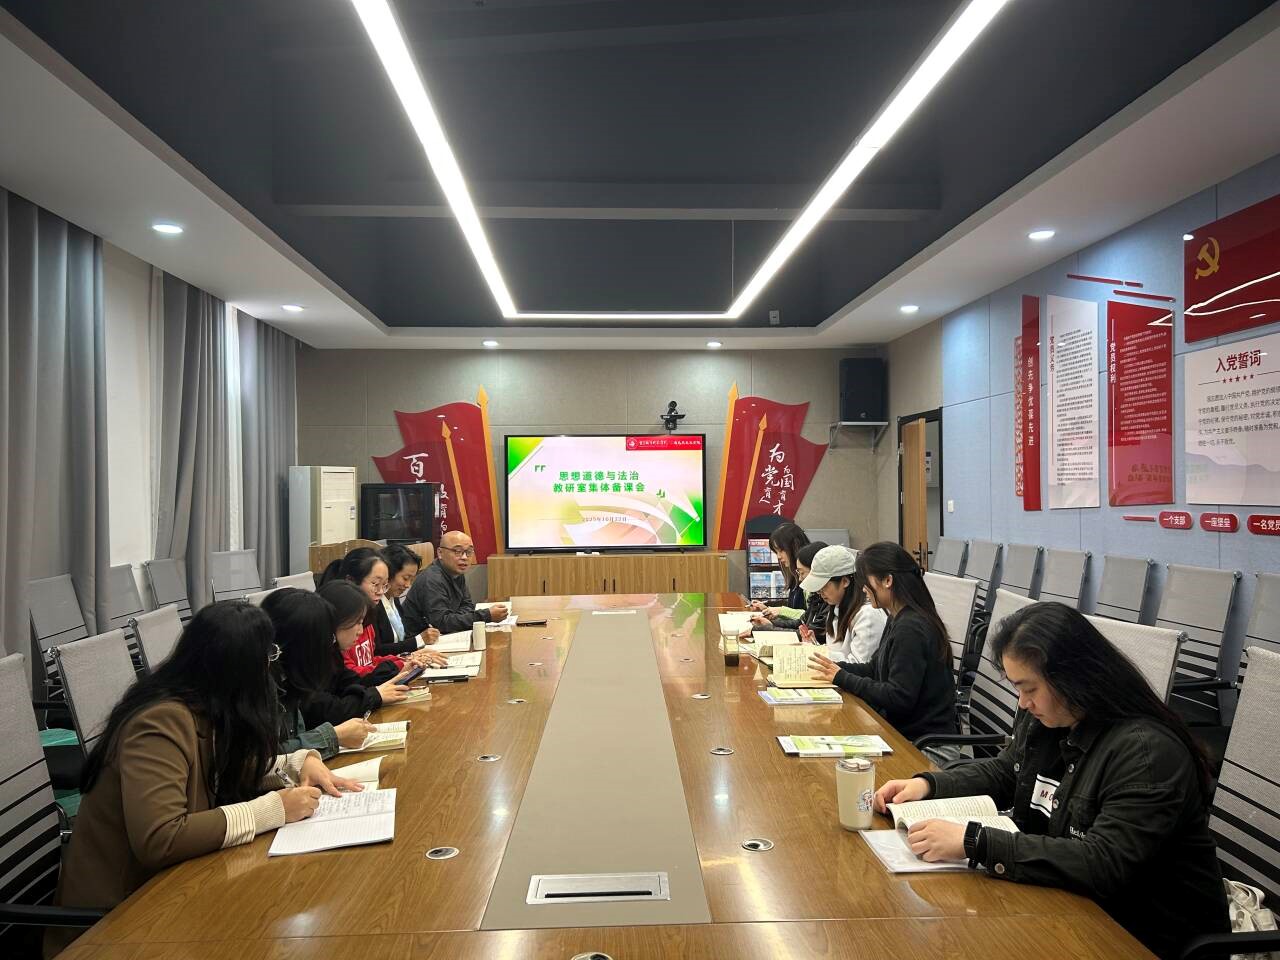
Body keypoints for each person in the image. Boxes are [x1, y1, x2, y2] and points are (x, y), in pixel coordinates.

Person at [874, 602, 1229, 960]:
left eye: (1029, 688)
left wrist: (975, 841)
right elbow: (1006, 773)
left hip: (1142, 937)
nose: (1023, 703)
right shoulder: (1052, 718)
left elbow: (1103, 863)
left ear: (1073, 678)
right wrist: (928, 786)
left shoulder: (1145, 753)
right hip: (1066, 909)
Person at [48, 601, 360, 957]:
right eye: (267, 657)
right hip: (119, 919)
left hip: (174, 889)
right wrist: (273, 809)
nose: (270, 669)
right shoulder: (160, 722)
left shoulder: (201, 708)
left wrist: (295, 763)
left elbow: (222, 769)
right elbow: (161, 837)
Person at [807, 542, 958, 759]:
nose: (863, 590)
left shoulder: (911, 628)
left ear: (888, 580)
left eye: (866, 583)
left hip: (926, 746)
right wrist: (833, 669)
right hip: (902, 734)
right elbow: (874, 668)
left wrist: (842, 677)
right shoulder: (898, 617)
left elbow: (898, 698)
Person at [278, 581, 414, 728]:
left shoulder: (331, 654)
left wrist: (396, 669)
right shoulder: (298, 665)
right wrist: (374, 695)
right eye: (358, 622)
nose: (360, 631)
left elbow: (351, 682)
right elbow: (325, 710)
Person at [262, 588, 378, 757]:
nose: (331, 647)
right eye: (327, 639)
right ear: (304, 645)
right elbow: (263, 761)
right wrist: (335, 736)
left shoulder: (291, 680)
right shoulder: (264, 689)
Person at [402, 531, 507, 637]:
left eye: (469, 551)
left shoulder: (456, 572)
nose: (464, 557)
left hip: (444, 635)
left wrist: (455, 618)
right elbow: (441, 623)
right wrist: (486, 615)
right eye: (457, 551)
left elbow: (467, 605)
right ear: (440, 553)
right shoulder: (431, 579)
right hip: (420, 641)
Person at [798, 545, 886, 663]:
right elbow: (837, 653)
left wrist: (819, 653)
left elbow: (860, 665)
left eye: (824, 586)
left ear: (845, 581)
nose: (819, 592)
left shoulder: (868, 615)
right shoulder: (836, 608)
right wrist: (815, 646)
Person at [373, 544, 443, 660]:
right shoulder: (374, 604)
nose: (408, 585)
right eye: (405, 578)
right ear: (388, 573)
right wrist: (418, 640)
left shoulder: (394, 598)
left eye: (411, 579)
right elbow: (377, 651)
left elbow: (403, 637)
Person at [752, 540, 830, 635]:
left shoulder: (829, 602)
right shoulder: (816, 597)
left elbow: (812, 633)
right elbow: (802, 622)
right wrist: (770, 624)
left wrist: (770, 628)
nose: (778, 556)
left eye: (781, 550)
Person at [749, 522, 809, 619]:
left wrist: (780, 613)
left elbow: (811, 616)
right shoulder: (794, 577)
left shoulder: (808, 577)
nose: (778, 556)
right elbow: (793, 606)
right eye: (776, 552)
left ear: (794, 547)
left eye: (781, 550)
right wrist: (767, 607)